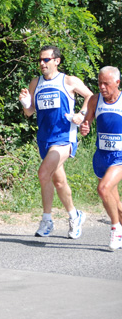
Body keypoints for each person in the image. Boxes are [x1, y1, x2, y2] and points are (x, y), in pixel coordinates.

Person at [19, 45, 93, 239]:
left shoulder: (68, 81)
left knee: (43, 173)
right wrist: (25, 102)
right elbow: (30, 112)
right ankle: (74, 216)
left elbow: (90, 96)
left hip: (64, 137)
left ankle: (47, 220)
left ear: (56, 61)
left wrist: (82, 114)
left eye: (46, 60)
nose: (42, 63)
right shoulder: (36, 82)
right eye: (40, 60)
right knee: (59, 182)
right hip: (44, 138)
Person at [80, 66, 122, 250]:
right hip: (101, 156)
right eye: (99, 83)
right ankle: (119, 223)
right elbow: (87, 122)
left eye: (106, 83)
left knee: (103, 189)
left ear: (117, 83)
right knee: (114, 201)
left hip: (119, 156)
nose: (102, 87)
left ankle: (115, 229)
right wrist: (84, 127)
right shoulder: (95, 100)